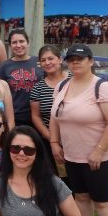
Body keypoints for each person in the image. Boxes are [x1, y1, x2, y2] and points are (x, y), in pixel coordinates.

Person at [49, 44, 108, 216]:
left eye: (80, 59)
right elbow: (55, 116)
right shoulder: (62, 85)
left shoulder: (102, 87)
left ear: (90, 61)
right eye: (71, 59)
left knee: (102, 201)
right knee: (80, 198)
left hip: (99, 157)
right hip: (72, 155)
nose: (75, 63)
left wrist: (99, 151)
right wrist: (54, 142)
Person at [30, 44, 70, 175]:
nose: (47, 63)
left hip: (77, 138)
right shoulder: (38, 88)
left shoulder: (73, 79)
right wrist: (52, 138)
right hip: (51, 140)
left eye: (51, 58)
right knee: (61, 178)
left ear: (60, 59)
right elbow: (36, 116)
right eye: (43, 60)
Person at [0, 29, 43, 126]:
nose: (18, 45)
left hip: (41, 116)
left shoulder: (39, 61)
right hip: (16, 117)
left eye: (21, 41)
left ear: (28, 43)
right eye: (14, 42)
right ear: (10, 46)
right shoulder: (5, 66)